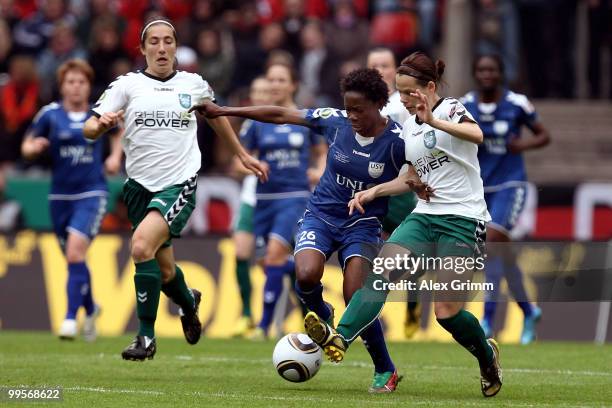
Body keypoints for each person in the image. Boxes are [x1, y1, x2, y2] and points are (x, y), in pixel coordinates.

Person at [191, 67, 431, 393]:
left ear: (378, 104)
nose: (352, 116)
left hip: (362, 225)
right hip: (321, 215)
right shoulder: (335, 121)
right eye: (349, 108)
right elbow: (280, 114)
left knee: (357, 296)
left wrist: (414, 187)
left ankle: (384, 368)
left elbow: (418, 172)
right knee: (305, 274)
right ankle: (322, 314)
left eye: (359, 109)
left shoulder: (399, 140)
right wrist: (224, 110)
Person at [300, 51, 504, 398]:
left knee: (447, 313)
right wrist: (374, 191)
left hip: (464, 221)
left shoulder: (450, 109)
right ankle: (340, 337)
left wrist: (433, 121)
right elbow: (411, 176)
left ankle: (487, 356)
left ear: (429, 86)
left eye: (410, 93)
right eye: (401, 93)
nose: (405, 100)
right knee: (381, 274)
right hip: (424, 217)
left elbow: (477, 134)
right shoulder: (408, 125)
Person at [82, 17, 267, 361]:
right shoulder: (127, 85)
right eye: (154, 41)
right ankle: (188, 300)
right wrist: (100, 125)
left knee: (140, 247)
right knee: (164, 271)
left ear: (176, 46)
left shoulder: (193, 84)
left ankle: (146, 338)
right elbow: (90, 128)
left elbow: (216, 116)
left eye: (168, 40)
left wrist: (241, 154)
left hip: (178, 183)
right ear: (142, 48)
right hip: (139, 188)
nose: (162, 47)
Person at [21, 59, 123, 341]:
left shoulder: (98, 113)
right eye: (70, 82)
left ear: (89, 86)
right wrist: (33, 148)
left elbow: (118, 132)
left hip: (92, 192)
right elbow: (27, 144)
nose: (76, 87)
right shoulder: (50, 115)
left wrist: (115, 157)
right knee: (74, 258)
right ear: (62, 86)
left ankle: (69, 319)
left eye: (81, 82)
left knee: (75, 252)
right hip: (59, 196)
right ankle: (91, 309)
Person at [461, 54, 550, 344]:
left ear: (500, 73)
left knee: (492, 243)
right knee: (504, 256)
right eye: (482, 69)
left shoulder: (517, 104)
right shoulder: (466, 105)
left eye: (492, 69)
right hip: (480, 189)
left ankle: (487, 320)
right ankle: (529, 310)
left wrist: (523, 143)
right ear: (476, 74)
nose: (487, 74)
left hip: (511, 185)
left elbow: (544, 135)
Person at [239, 62, 327, 340]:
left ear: (293, 85)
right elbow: (239, 159)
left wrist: (320, 171)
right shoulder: (256, 121)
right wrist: (252, 165)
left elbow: (323, 151)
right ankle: (307, 289)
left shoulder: (304, 118)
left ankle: (263, 326)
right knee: (271, 263)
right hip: (264, 199)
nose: (276, 85)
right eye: (272, 80)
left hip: (295, 197)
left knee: (275, 252)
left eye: (281, 80)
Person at [367, 47, 420, 339]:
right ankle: (372, 313)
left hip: (399, 190)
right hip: (371, 188)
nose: (379, 70)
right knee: (373, 255)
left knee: (405, 254)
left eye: (384, 65)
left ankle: (412, 305)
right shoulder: (361, 106)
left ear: (394, 70)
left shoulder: (402, 106)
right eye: (373, 65)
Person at [232, 76, 271, 337]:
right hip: (251, 198)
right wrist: (252, 164)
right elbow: (237, 164)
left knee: (274, 262)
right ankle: (246, 313)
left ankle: (304, 312)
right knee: (240, 252)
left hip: (280, 200)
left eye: (263, 92)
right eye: (254, 91)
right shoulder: (250, 124)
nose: (258, 96)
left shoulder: (286, 119)